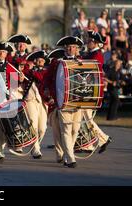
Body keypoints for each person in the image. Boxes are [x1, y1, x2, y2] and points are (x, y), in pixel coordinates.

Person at [45, 36, 84, 168]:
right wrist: (51, 94)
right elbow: (48, 79)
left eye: (73, 46)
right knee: (66, 129)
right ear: (65, 48)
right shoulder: (57, 63)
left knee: (75, 130)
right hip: (62, 101)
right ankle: (70, 158)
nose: (70, 48)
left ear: (77, 49)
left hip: (78, 101)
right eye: (68, 46)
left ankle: (67, 153)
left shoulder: (81, 62)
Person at [83, 30, 112, 153]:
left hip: (91, 91)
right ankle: (89, 144)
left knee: (87, 118)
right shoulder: (91, 54)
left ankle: (104, 139)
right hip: (87, 90)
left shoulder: (97, 55)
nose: (87, 42)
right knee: (85, 118)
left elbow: (90, 70)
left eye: (89, 41)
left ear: (94, 43)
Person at [23, 50, 50, 159]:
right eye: (38, 59)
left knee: (42, 128)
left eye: (42, 60)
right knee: (33, 125)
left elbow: (41, 78)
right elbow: (21, 80)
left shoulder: (46, 72)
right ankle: (36, 149)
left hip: (43, 101)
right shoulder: (28, 71)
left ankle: (34, 144)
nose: (40, 61)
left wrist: (32, 72)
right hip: (30, 100)